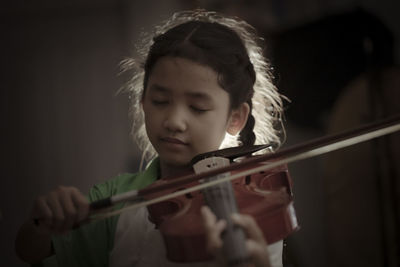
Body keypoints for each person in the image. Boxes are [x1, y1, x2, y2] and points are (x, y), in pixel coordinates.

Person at [15, 9, 285, 267]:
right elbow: (32, 251)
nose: (174, 121)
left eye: (198, 108)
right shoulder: (114, 199)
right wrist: (42, 225)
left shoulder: (258, 205)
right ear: (143, 100)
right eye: (160, 101)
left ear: (235, 118)